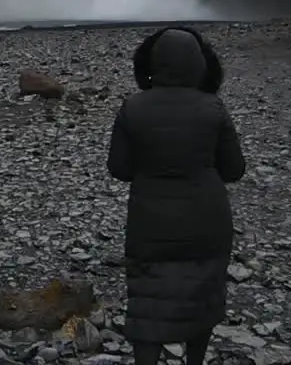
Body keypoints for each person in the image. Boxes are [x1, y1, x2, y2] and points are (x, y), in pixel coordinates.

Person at [109, 26, 247, 365]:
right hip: (207, 222)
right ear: (198, 65)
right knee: (202, 298)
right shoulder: (214, 108)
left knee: (147, 304)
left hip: (149, 223)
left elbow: (120, 168)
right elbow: (234, 170)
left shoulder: (133, 108)